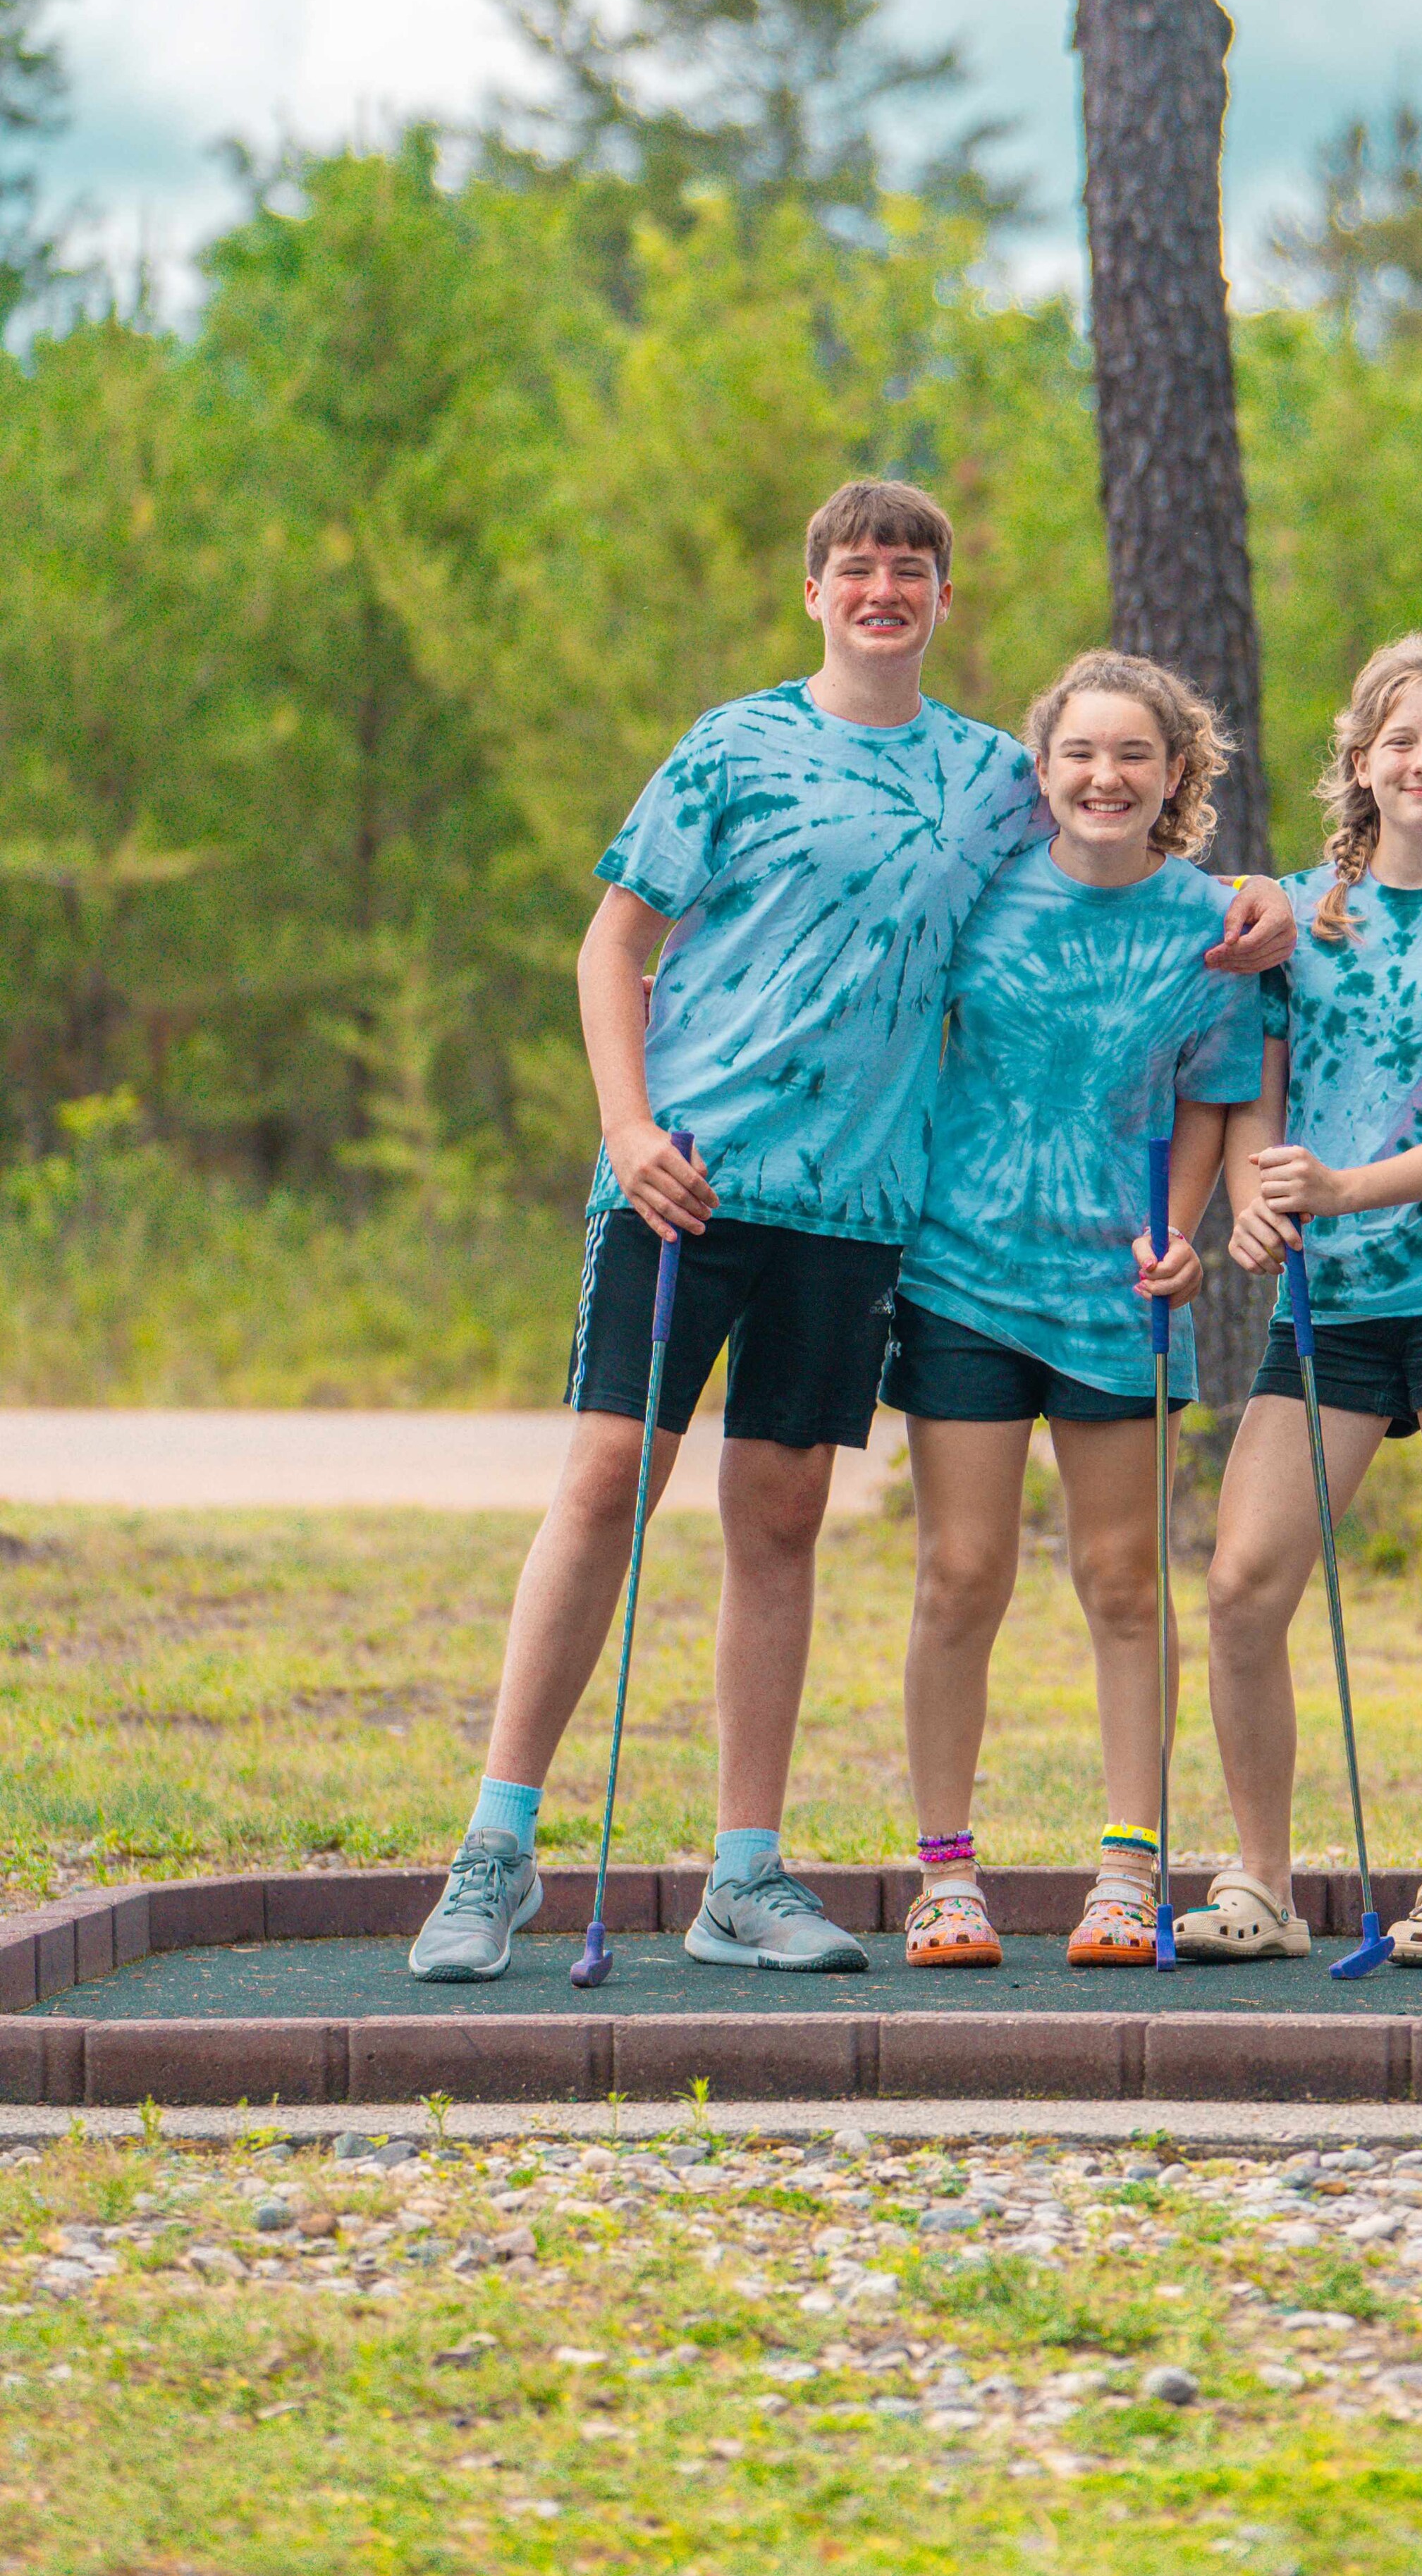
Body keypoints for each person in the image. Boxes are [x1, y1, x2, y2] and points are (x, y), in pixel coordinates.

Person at [407, 485, 1291, 1984]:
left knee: (782, 1516)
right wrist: (627, 1132)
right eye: (857, 567)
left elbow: (1127, 837)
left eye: (912, 569)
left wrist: (1263, 900)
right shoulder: (733, 745)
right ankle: (496, 1849)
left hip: (861, 1209)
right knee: (609, 1478)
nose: (884, 588)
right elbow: (612, 943)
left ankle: (743, 1875)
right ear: (814, 592)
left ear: (944, 600)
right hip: (686, 1177)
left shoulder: (994, 777)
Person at [1184, 638, 1422, 1966]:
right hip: (1325, 1307)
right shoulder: (1294, 919)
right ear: (1360, 764)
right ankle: (1261, 1883)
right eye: (1400, 741)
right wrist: (1252, 1198)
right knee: (1243, 1586)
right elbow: (1251, 1096)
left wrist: (1339, 1189)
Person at [882, 651, 1266, 1970]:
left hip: (1121, 1290)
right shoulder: (977, 898)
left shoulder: (1215, 924)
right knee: (961, 1573)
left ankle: (1127, 1868)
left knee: (1120, 1578)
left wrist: (1189, 1228)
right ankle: (945, 1876)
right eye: (1081, 755)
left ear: (1176, 777)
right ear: (1041, 774)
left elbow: (1217, 1092)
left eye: (1135, 757)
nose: (1106, 778)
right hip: (962, 1277)